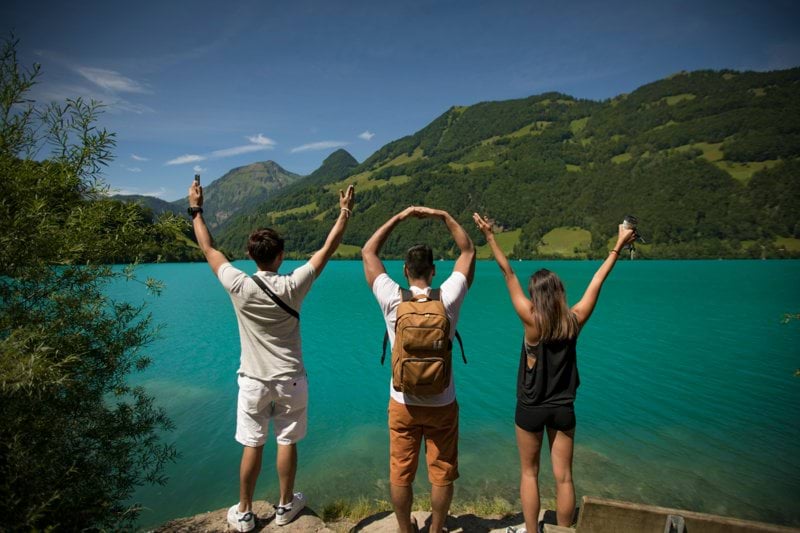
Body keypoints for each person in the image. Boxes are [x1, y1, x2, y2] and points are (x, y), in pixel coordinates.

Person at [188, 179, 355, 532]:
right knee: (287, 440)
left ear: (250, 256)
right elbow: (326, 248)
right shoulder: (293, 285)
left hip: (252, 381)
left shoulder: (238, 284)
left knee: (252, 443)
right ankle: (284, 506)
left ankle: (245, 512)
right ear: (280, 256)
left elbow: (208, 248)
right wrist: (344, 212)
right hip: (291, 379)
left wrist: (196, 209)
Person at [472, 213, 635, 533]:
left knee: (529, 474)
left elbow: (508, 273)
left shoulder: (531, 320)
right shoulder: (574, 320)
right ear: (560, 293)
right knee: (564, 477)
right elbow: (597, 281)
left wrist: (490, 237)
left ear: (535, 296)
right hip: (563, 408)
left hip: (531, 407)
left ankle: (532, 531)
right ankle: (562, 531)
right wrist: (618, 243)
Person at [362, 206, 475, 533]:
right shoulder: (449, 297)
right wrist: (444, 216)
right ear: (434, 270)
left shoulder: (392, 298)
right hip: (442, 402)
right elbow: (468, 250)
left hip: (402, 402)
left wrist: (399, 216)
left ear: (405, 270)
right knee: (441, 472)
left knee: (401, 472)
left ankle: (404, 528)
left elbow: (368, 251)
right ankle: (437, 529)